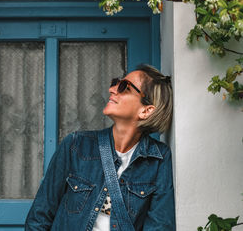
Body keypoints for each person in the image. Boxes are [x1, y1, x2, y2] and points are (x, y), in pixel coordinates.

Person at [25, 64, 175, 231]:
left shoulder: (158, 159)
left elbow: (160, 226)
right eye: (116, 82)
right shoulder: (76, 145)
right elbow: (39, 218)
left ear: (146, 111)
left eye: (125, 87)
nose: (112, 89)